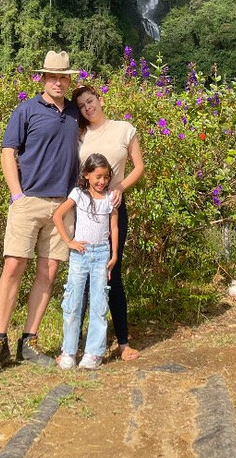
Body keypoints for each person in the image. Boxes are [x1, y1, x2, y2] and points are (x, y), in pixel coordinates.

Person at [0, 50, 81, 374]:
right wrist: (16, 195)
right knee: (13, 267)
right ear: (42, 78)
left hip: (63, 205)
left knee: (49, 272)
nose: (58, 81)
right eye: (52, 76)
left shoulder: (76, 114)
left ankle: (29, 341)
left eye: (63, 76)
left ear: (69, 80)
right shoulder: (26, 110)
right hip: (29, 202)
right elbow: (8, 151)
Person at [72, 84, 146, 360]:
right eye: (81, 105)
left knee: (112, 271)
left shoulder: (124, 129)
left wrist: (120, 189)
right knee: (81, 275)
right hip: (83, 213)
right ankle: (76, 344)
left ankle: (123, 341)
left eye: (90, 101)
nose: (88, 107)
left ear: (100, 100)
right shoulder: (79, 135)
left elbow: (138, 166)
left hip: (113, 209)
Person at [52, 153, 119, 370]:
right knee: (73, 302)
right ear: (87, 175)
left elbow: (114, 228)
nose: (102, 181)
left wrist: (114, 255)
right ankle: (69, 351)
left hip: (102, 254)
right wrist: (69, 241)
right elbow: (57, 215)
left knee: (99, 303)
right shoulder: (78, 195)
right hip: (80, 255)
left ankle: (93, 352)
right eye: (98, 176)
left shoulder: (110, 199)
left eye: (106, 177)